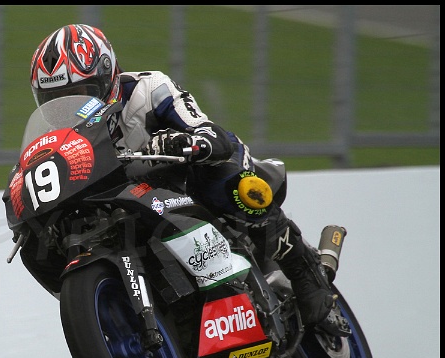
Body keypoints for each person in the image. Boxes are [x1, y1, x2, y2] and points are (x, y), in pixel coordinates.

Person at [28, 23, 350, 337]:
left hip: (187, 178)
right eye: (55, 101)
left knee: (235, 186)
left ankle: (305, 275)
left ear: (107, 75)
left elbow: (210, 134)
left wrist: (187, 142)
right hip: (130, 201)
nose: (72, 108)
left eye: (80, 94)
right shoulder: (55, 137)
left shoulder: (148, 89)